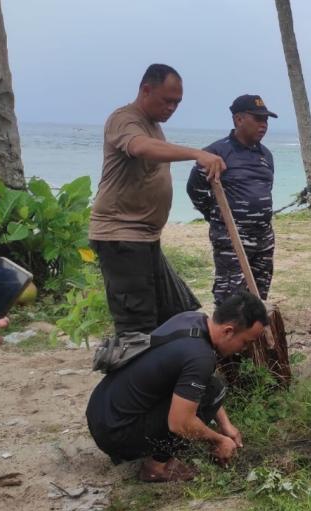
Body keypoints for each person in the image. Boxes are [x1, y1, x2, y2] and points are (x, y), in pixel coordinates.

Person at [89, 64, 226, 335]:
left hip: (146, 237)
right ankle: (130, 374)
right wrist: (197, 153)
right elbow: (140, 147)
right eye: (167, 100)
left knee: (176, 312)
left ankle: (166, 369)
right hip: (121, 235)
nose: (172, 108)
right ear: (146, 90)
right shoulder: (124, 119)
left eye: (177, 102)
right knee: (136, 324)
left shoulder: (152, 125)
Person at [86, 291, 267, 482]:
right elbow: (180, 423)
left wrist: (225, 426)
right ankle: (156, 467)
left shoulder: (191, 320)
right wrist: (219, 440)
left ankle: (149, 448)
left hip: (101, 414)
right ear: (229, 331)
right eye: (246, 342)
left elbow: (202, 384)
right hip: (116, 433)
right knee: (205, 398)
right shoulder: (200, 357)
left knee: (212, 388)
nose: (244, 349)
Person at [187, 94, 278, 304]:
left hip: (263, 238)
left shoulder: (266, 155)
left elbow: (265, 190)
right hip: (232, 239)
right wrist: (218, 217)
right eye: (257, 119)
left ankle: (253, 337)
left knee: (258, 298)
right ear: (238, 119)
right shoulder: (216, 153)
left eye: (266, 120)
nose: (263, 125)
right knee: (231, 299)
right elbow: (195, 190)